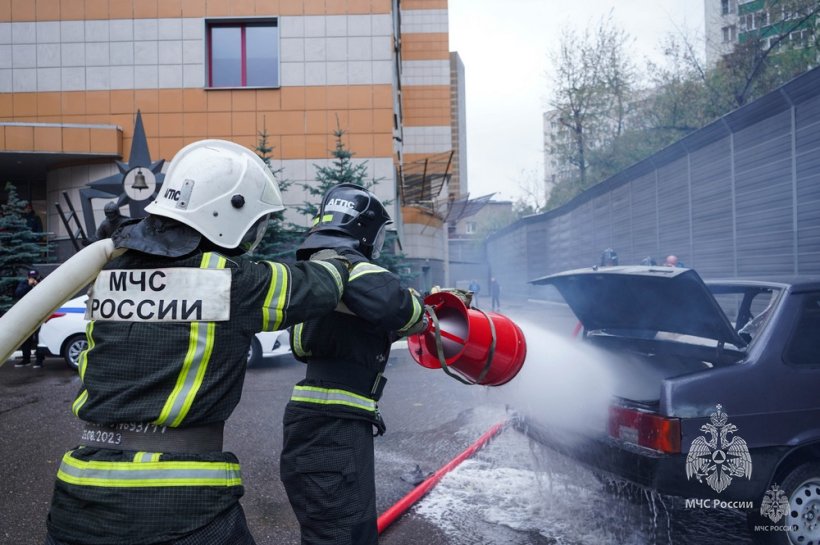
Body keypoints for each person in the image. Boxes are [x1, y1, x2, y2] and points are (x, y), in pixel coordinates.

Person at [42, 139, 352, 545]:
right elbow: (322, 285)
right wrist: (339, 256)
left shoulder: (107, 269)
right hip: (181, 506)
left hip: (78, 496)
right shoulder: (230, 279)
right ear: (230, 211)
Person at [280, 183, 426, 545]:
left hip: (326, 425)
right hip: (333, 430)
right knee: (345, 535)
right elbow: (398, 306)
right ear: (363, 230)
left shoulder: (315, 275)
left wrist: (381, 333)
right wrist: (422, 311)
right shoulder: (341, 264)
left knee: (340, 531)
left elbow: (304, 344)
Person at [14, 269, 45, 368]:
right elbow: (18, 293)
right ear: (28, 277)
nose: (33, 279)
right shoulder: (24, 284)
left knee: (39, 338)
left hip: (39, 314)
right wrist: (29, 285)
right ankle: (26, 359)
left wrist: (37, 285)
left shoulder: (43, 283)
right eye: (31, 277)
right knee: (26, 338)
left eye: (35, 277)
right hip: (27, 315)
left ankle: (39, 360)